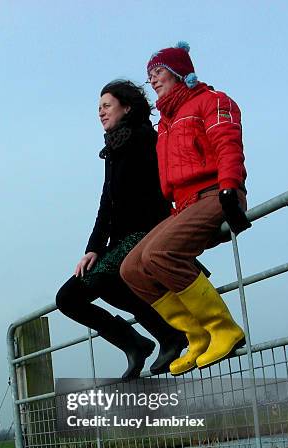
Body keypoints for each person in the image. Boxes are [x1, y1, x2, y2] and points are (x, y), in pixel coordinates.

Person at [120, 42, 251, 376]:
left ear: (179, 72)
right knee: (132, 268)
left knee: (160, 254)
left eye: (159, 72)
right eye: (149, 76)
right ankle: (196, 336)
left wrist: (229, 187)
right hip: (184, 205)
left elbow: (227, 144)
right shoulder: (166, 122)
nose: (153, 80)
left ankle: (222, 328)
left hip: (215, 194)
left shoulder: (211, 101)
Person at [56, 79, 187, 380]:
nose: (100, 112)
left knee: (105, 280)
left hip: (146, 232)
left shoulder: (145, 139)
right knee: (68, 298)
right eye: (98, 107)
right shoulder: (113, 147)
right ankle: (135, 344)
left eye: (107, 105)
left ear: (126, 107)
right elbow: (107, 203)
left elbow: (160, 189)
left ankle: (169, 335)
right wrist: (93, 249)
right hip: (119, 241)